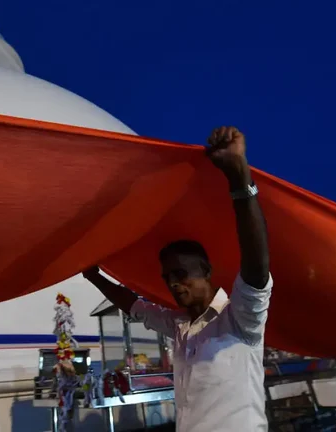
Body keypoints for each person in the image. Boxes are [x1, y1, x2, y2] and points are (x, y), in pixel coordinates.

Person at [83, 126, 271, 431]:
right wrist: (94, 276)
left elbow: (256, 266)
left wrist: (239, 179)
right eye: (167, 276)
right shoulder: (180, 326)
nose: (172, 283)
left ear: (207, 272)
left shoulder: (240, 319)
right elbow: (135, 306)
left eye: (181, 274)